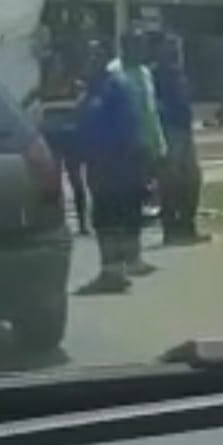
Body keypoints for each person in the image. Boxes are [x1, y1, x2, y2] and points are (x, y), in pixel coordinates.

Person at [76, 40, 144, 295]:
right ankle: (114, 269)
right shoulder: (89, 90)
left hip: (117, 164)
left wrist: (130, 158)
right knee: (104, 217)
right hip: (97, 164)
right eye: (87, 57)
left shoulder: (116, 86)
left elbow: (128, 125)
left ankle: (114, 271)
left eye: (94, 56)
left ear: (103, 59)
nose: (88, 62)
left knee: (110, 216)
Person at [109, 31, 167, 275]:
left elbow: (151, 113)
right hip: (122, 148)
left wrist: (159, 145)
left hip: (145, 146)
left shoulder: (145, 73)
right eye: (136, 44)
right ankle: (121, 257)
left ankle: (134, 255)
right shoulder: (114, 72)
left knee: (139, 201)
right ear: (124, 47)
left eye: (142, 45)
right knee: (122, 204)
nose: (141, 49)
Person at [152, 34, 209, 246]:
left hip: (185, 132)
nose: (174, 51)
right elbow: (152, 104)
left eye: (175, 47)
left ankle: (188, 226)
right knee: (171, 183)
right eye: (168, 48)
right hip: (169, 132)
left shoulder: (179, 73)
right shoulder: (155, 74)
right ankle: (171, 229)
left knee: (192, 180)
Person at [23, 52, 89, 235]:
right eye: (52, 66)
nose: (55, 69)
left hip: (72, 140)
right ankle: (57, 223)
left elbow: (86, 103)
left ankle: (82, 223)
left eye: (58, 65)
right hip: (51, 140)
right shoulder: (42, 90)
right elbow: (22, 106)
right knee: (54, 184)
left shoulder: (75, 87)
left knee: (76, 181)